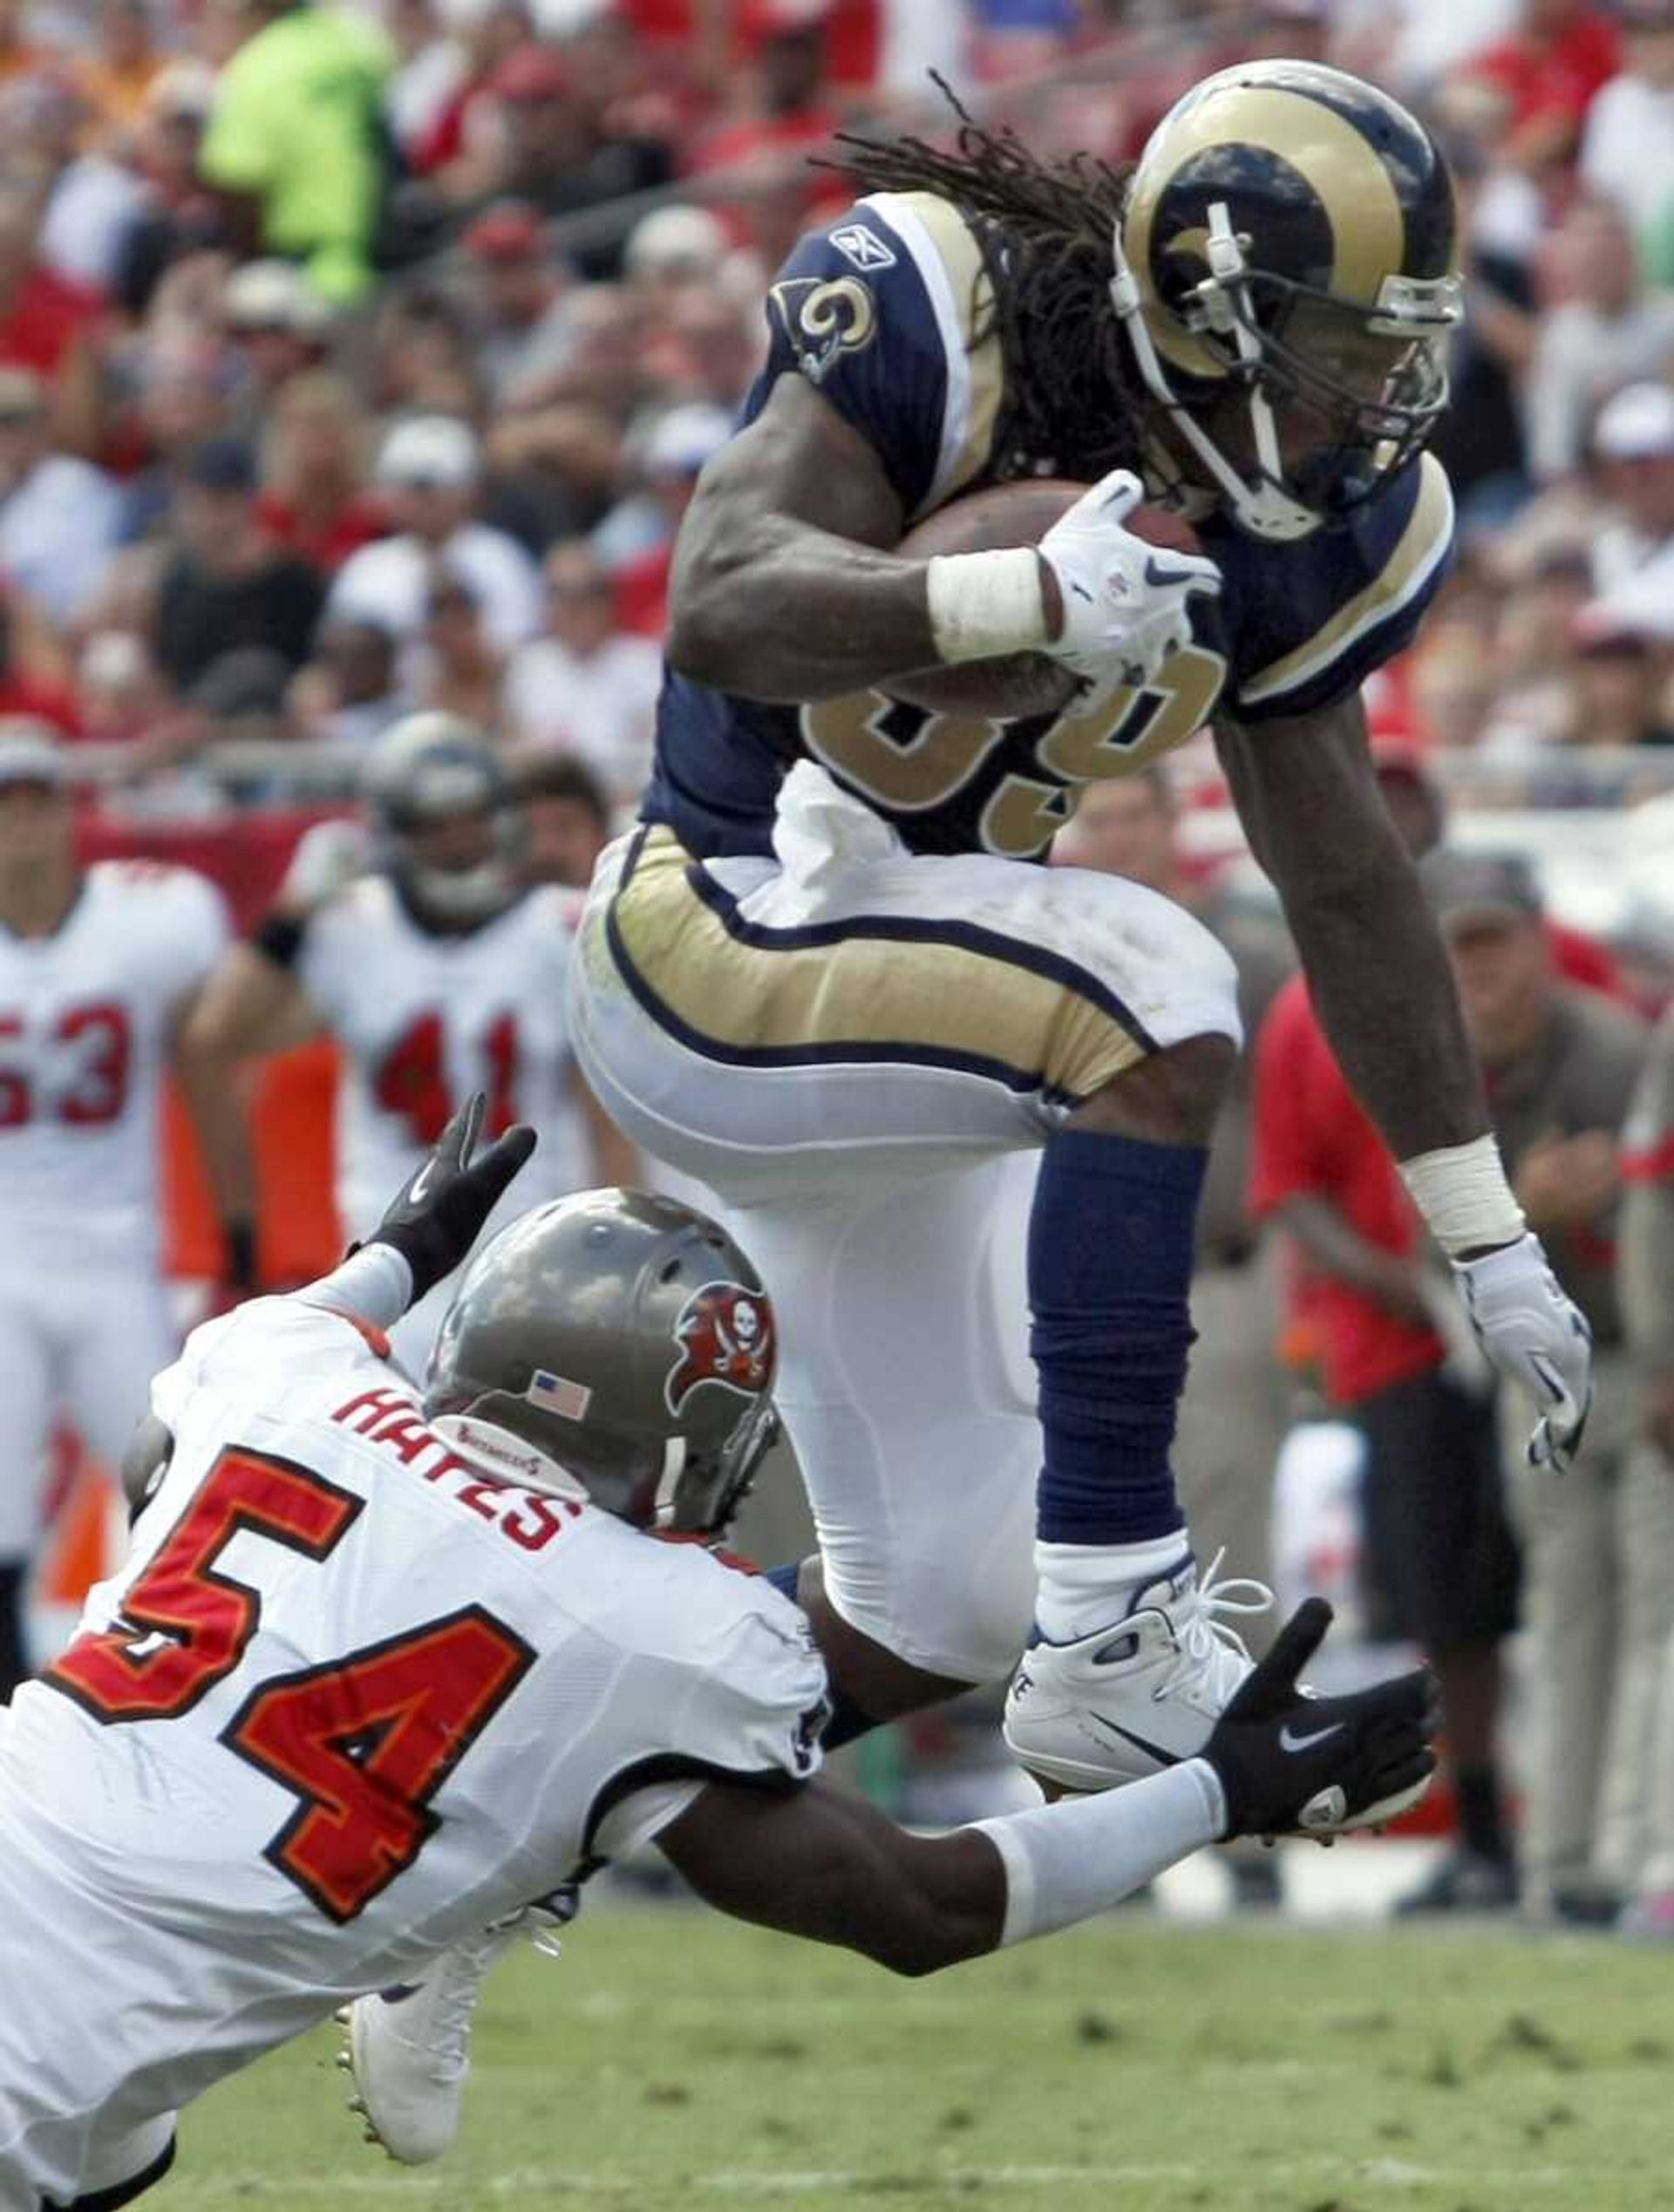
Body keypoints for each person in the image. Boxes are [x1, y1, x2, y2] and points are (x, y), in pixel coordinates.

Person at [563, 61, 1591, 1798]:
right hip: (724, 923)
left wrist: (1481, 1231)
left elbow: (1345, 872)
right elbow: (720, 602)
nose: (1383, 390)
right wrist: (1003, 597)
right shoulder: (937, 314)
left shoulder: (1323, 525)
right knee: (1158, 976)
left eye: (1398, 340)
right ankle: (1121, 1619)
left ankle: (472, 1839)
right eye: (1344, 341)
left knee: (948, 1593)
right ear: (1212, 311)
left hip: (909, 1033)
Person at [0, 1097, 1437, 2207]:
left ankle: (486, 1884)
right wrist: (1221, 1791)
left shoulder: (280, 1381)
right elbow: (920, 1908)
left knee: (126, 2137)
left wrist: (397, 1253)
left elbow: (191, 1430)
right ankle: (490, 1888)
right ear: (691, 1435)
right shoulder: (659, 1629)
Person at [183, 711, 636, 1369]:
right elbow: (217, 1033)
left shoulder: (558, 927)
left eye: (471, 818)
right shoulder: (355, 925)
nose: (458, 842)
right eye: (434, 825)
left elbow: (607, 1123)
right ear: (396, 834)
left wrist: (609, 1252)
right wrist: (289, 913)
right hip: (390, 1255)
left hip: (532, 1248)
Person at [1424, 847, 1661, 1923]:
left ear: (1538, 941)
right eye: (1458, 947)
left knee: (1655, 1617)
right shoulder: (1437, 1071)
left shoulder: (1616, 1052)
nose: (1481, 969)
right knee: (1566, 1611)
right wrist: (1528, 1206)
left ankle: (1640, 1854)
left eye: (1494, 941)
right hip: (1545, 1377)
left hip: (1644, 1361)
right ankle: (1565, 1860)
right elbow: (1427, 1247)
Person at [0, 722, 253, 1705]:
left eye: (34, 798)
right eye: (3, 802)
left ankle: (195, 1703)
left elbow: (208, 1065)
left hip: (116, 1259)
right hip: (4, 1259)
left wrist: (240, 1237)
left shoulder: (153, 915)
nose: (19, 821)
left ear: (69, 811)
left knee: (178, 1500)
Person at [196, 0, 395, 305]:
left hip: (302, 278)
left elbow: (235, 184)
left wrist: (243, 262)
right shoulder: (357, 42)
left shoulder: (259, 65)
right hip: (380, 262)